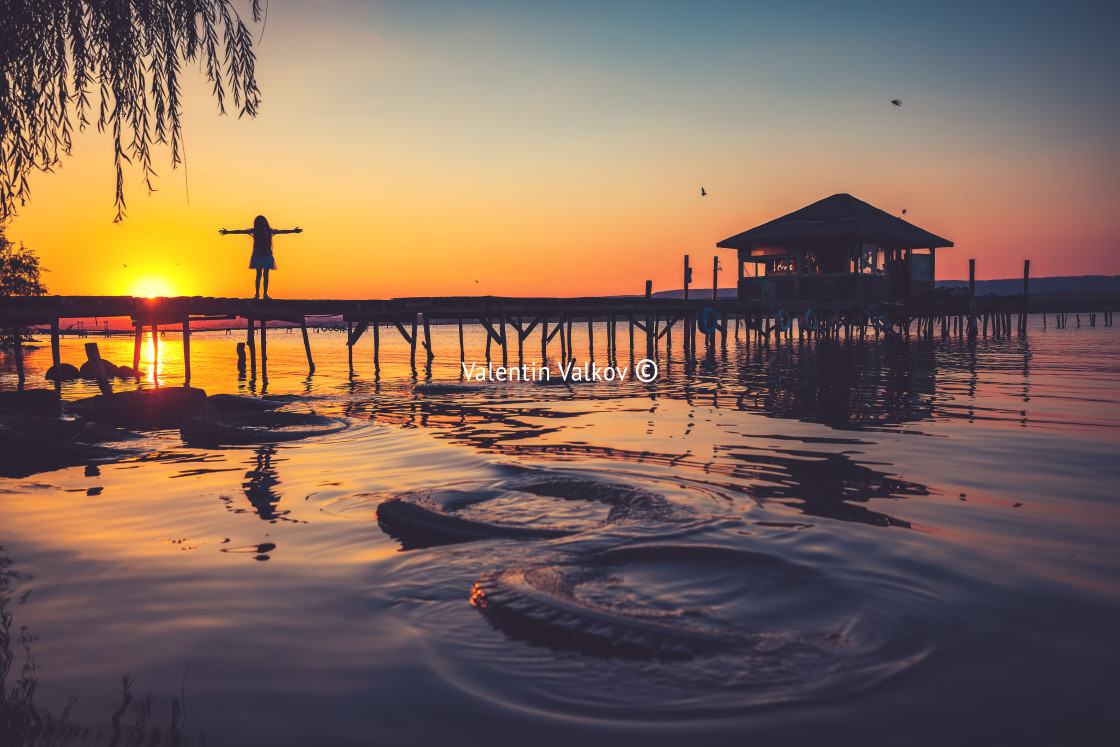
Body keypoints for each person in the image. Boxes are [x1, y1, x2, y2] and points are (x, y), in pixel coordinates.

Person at [218, 215, 302, 299]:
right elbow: (240, 231)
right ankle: (258, 294)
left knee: (264, 275)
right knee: (259, 275)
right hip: (259, 255)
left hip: (266, 255)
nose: (262, 223)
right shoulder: (256, 231)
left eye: (263, 221)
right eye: (261, 222)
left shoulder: (267, 231)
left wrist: (293, 231)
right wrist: (228, 232)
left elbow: (282, 231)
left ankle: (264, 294)